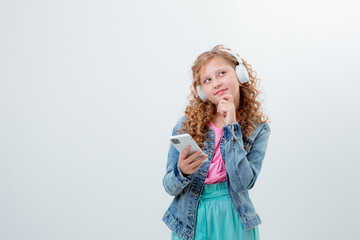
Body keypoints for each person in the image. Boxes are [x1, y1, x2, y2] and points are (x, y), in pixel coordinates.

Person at [162, 44, 271, 240]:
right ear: (202, 90)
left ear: (240, 74)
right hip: (190, 218)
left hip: (233, 216)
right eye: (207, 80)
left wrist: (232, 126)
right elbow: (169, 187)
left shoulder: (258, 128)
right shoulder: (186, 125)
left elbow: (242, 183)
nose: (216, 83)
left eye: (222, 73)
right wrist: (183, 172)